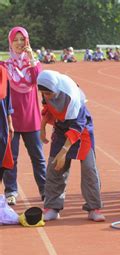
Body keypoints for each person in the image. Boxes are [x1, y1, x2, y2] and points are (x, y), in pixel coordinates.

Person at [38, 70, 104, 222]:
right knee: (54, 168)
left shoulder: (73, 98)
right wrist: (42, 128)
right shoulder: (46, 90)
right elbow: (47, 109)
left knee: (89, 169)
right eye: (43, 93)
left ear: (56, 89)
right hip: (60, 129)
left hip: (82, 131)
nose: (46, 96)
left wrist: (63, 152)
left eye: (49, 93)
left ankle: (93, 208)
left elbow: (76, 127)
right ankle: (52, 207)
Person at [0, 26, 46, 206]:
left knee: (38, 157)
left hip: (32, 118)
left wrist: (32, 57)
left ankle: (45, 190)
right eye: (16, 40)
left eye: (22, 39)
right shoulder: (4, 66)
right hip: (10, 120)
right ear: (10, 42)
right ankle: (11, 191)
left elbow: (39, 81)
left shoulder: (33, 65)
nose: (19, 43)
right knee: (12, 157)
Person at [0, 66, 14, 181]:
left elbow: (7, 98)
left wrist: (10, 122)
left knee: (3, 157)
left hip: (1, 122)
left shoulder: (2, 71)